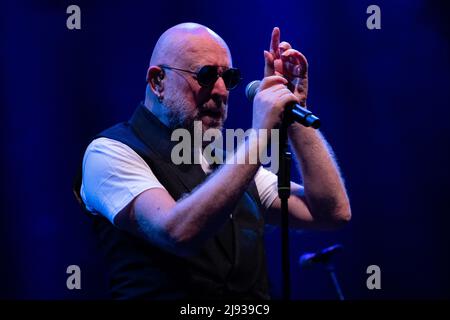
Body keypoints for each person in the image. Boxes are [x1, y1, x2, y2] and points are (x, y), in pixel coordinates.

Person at [73, 22, 351, 300]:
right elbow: (177, 233)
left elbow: (331, 212)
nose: (220, 92)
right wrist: (261, 133)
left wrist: (292, 111)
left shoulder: (229, 164)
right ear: (158, 81)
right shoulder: (110, 152)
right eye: (205, 76)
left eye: (228, 78)